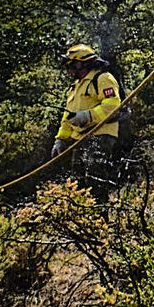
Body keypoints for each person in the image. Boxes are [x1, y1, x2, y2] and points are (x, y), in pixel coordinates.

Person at [52, 43, 123, 195]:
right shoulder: (76, 87)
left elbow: (112, 106)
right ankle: (83, 216)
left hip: (100, 135)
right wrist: (61, 139)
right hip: (79, 139)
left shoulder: (103, 78)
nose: (68, 70)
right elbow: (68, 116)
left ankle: (100, 215)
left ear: (80, 63)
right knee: (77, 183)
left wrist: (87, 116)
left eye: (70, 65)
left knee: (95, 180)